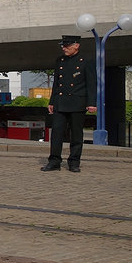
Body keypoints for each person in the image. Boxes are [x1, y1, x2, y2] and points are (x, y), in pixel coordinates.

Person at [42, 34, 96, 172]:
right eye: (63, 46)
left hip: (77, 101)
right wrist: (52, 101)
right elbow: (56, 83)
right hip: (60, 102)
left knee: (76, 134)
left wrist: (92, 103)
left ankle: (74, 162)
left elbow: (91, 83)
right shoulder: (60, 61)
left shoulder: (86, 61)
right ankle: (54, 161)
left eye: (67, 46)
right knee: (56, 133)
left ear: (76, 46)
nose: (64, 49)